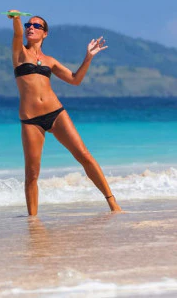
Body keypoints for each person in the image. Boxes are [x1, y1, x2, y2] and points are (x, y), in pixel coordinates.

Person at [7, 11, 121, 216]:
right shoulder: (19, 53)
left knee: (84, 155)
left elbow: (75, 80)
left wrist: (88, 57)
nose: (31, 27)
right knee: (31, 174)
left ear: (45, 33)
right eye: (28, 24)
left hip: (56, 113)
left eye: (37, 25)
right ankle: (33, 221)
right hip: (31, 121)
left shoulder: (50, 61)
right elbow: (17, 34)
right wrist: (16, 18)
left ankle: (113, 204)